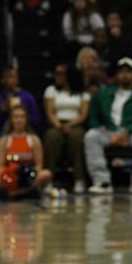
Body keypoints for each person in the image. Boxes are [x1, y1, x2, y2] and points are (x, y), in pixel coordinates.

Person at [83, 57, 132, 195]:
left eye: (128, 72)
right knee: (91, 136)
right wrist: (99, 126)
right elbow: (93, 116)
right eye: (121, 71)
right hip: (108, 131)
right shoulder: (103, 94)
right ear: (117, 74)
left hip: (131, 134)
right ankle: (101, 181)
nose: (125, 75)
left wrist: (128, 131)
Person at [0, 105, 54, 199]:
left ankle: (15, 193)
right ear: (11, 120)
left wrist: (29, 176)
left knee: (46, 174)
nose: (19, 120)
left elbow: (39, 165)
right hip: (9, 176)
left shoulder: (34, 139)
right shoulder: (4, 140)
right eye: (16, 117)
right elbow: (0, 166)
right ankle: (24, 192)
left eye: (22, 117)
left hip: (28, 177)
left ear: (26, 120)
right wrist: (9, 177)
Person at [42, 63, 90, 193]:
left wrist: (71, 125)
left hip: (76, 123)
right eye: (56, 73)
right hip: (57, 123)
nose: (57, 76)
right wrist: (58, 124)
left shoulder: (83, 93)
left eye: (60, 73)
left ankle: (79, 179)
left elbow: (83, 114)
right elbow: (50, 111)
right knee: (52, 137)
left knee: (77, 137)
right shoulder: (51, 90)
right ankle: (48, 178)